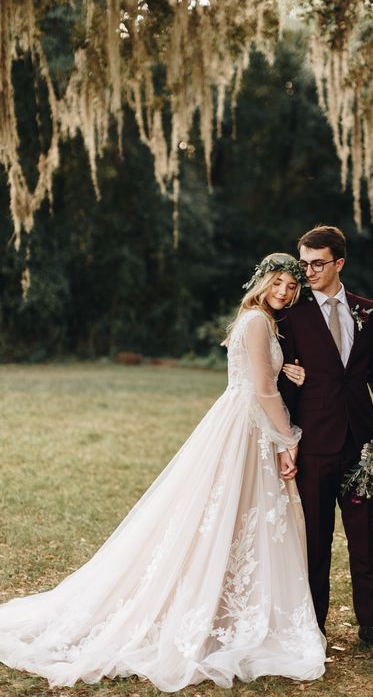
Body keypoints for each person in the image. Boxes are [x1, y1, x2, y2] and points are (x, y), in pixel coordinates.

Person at [0, 253, 326, 691]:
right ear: (263, 281)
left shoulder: (263, 322)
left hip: (250, 425)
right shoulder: (254, 321)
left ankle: (231, 609)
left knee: (239, 520)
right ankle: (205, 611)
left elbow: (261, 377)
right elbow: (263, 390)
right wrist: (290, 438)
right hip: (246, 427)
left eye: (293, 287)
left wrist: (287, 371)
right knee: (221, 515)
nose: (285, 292)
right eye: (279, 283)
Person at [277, 226, 373, 659]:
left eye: (317, 263)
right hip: (313, 446)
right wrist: (285, 435)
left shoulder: (365, 310)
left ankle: (371, 628)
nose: (308, 271)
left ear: (339, 264)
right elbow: (276, 375)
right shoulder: (291, 315)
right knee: (316, 542)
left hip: (361, 446)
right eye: (304, 263)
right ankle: (313, 630)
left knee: (363, 542)